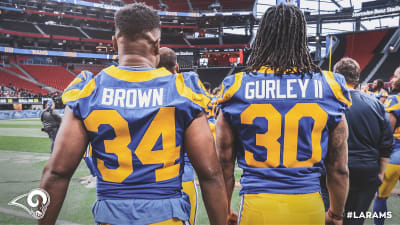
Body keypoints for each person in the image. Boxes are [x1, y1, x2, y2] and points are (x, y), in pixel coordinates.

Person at [39, 3, 228, 225]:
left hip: (112, 217)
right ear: (157, 45)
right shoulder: (182, 91)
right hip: (166, 216)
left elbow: (56, 174)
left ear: (113, 42)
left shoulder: (88, 91)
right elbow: (210, 175)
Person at [216, 4, 350, 225]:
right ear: (300, 36)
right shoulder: (329, 86)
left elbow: (224, 164)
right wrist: (336, 214)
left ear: (263, 36)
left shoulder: (236, 87)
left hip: (257, 204)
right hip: (308, 204)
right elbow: (339, 167)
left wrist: (224, 209)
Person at [332, 57, 393, 225]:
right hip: (367, 170)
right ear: (357, 77)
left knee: (332, 218)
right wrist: (380, 172)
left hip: (333, 171)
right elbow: (387, 143)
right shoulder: (377, 104)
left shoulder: (329, 102)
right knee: (355, 220)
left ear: (336, 75)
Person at [157, 47, 197, 225]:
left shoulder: (140, 93)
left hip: (149, 181)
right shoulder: (188, 94)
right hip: (184, 176)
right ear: (178, 68)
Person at [373, 66, 400, 225]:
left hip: (395, 155)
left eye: (396, 75)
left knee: (381, 196)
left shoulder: (395, 99)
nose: (393, 79)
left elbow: (387, 131)